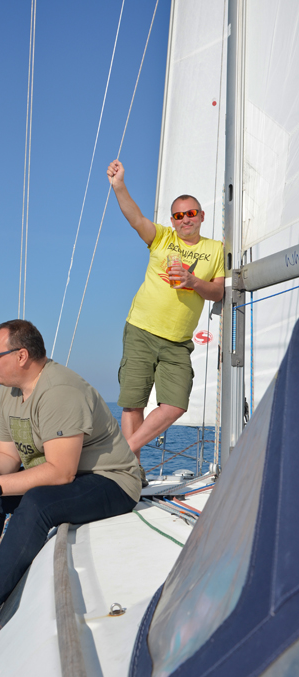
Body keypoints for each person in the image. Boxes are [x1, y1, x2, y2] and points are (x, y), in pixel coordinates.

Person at [0, 319, 141, 653]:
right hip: (68, 476)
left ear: (21, 356)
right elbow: (6, 456)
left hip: (112, 481)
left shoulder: (60, 391)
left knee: (37, 503)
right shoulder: (9, 392)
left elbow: (61, 473)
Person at [107, 160, 225, 483]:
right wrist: (119, 186)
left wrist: (192, 281)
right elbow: (135, 217)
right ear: (172, 221)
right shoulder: (161, 238)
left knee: (175, 404)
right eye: (179, 215)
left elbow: (218, 292)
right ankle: (131, 473)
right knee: (133, 404)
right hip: (141, 329)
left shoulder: (216, 250)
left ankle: (122, 454)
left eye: (191, 213)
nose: (185, 219)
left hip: (178, 341)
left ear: (202, 216)